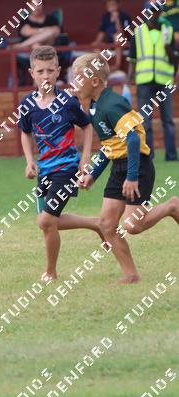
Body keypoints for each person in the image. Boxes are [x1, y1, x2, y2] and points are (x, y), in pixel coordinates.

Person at [75, 53, 179, 284]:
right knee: (106, 224)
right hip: (119, 167)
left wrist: (132, 177)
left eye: (79, 78)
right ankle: (131, 275)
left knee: (133, 225)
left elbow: (132, 139)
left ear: (94, 81)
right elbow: (110, 146)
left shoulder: (112, 104)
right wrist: (93, 174)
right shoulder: (95, 106)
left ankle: (172, 206)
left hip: (137, 165)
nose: (75, 83)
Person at [18, 46, 102, 282]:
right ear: (32, 73)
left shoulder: (68, 102)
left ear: (58, 71)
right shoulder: (27, 104)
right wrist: (29, 161)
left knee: (47, 220)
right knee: (46, 222)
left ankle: (51, 272)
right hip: (44, 170)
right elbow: (25, 133)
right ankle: (96, 223)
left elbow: (87, 126)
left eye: (49, 71)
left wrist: (85, 157)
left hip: (66, 169)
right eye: (40, 71)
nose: (45, 76)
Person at [128, 10, 177, 161]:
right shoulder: (138, 32)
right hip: (144, 81)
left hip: (164, 81)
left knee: (168, 120)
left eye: (157, 12)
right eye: (151, 11)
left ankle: (171, 156)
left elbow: (174, 59)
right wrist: (129, 80)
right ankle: (148, 156)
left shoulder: (168, 30)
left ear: (160, 13)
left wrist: (167, 45)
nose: (154, 15)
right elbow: (132, 58)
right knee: (145, 121)